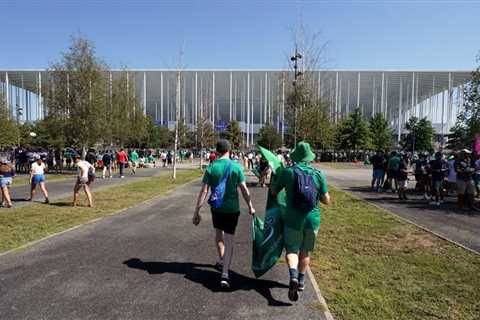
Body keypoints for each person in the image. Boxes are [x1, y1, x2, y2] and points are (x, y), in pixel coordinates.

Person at [270, 141, 330, 302]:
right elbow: (326, 200)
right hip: (312, 219)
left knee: (291, 250)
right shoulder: (318, 174)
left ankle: (293, 276)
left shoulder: (288, 172)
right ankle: (302, 281)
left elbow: (274, 192)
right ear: (309, 157)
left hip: (292, 219)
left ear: (295, 156)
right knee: (305, 250)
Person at [192, 139, 255, 289]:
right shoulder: (236, 167)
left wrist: (197, 211)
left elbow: (204, 191)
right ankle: (225, 273)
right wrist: (250, 206)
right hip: (232, 209)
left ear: (217, 150)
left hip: (217, 208)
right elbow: (244, 190)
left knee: (218, 233)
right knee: (229, 240)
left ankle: (221, 259)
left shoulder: (212, 167)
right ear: (229, 150)